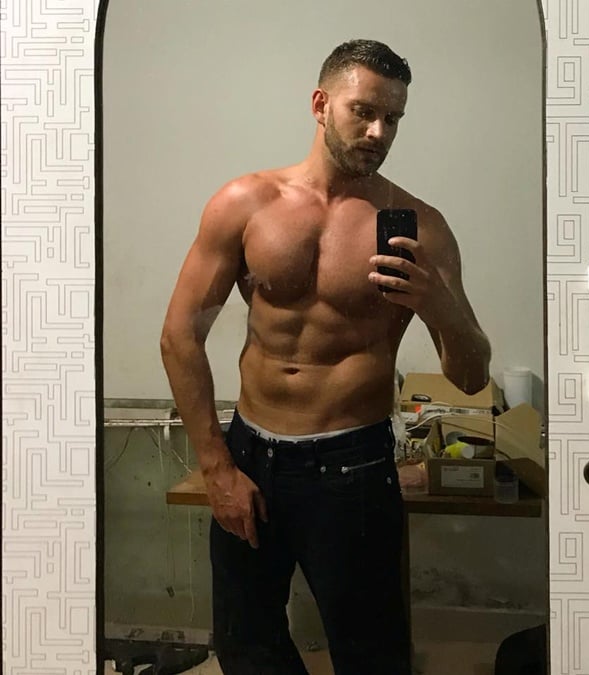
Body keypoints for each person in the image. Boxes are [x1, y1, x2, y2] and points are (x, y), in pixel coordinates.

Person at [160, 38, 491, 675]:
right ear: (320, 104)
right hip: (251, 456)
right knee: (247, 645)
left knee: (371, 656)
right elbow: (179, 336)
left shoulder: (421, 225)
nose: (378, 132)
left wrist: (439, 306)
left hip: (354, 468)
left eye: (392, 118)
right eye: (363, 112)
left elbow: (471, 377)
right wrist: (218, 468)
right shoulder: (245, 204)